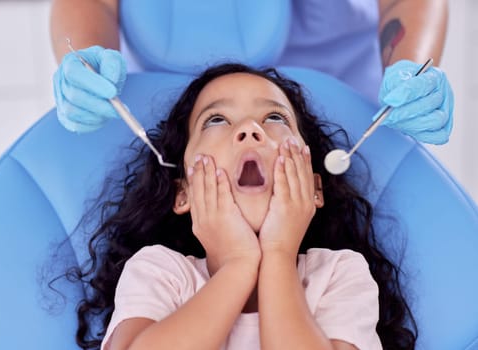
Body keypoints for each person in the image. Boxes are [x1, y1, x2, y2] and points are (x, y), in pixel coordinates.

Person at [62, 63, 417, 350]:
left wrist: (277, 254)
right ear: (182, 192)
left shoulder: (340, 274)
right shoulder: (159, 271)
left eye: (274, 118)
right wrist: (238, 263)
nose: (249, 129)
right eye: (216, 120)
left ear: (314, 188)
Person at [50, 0, 453, 145]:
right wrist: (89, 63)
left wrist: (410, 69)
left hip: (346, 103)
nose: (250, 132)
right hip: (169, 97)